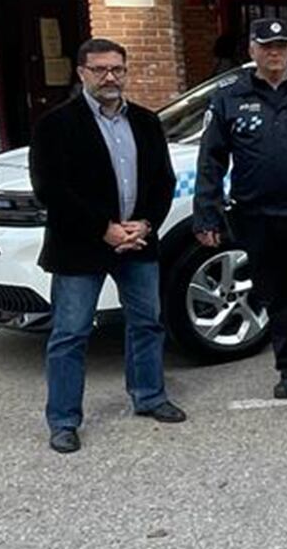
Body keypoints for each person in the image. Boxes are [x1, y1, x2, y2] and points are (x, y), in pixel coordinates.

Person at [28, 37, 183, 454]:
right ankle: (63, 420)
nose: (110, 77)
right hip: (81, 245)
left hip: (138, 241)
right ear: (82, 74)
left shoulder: (147, 123)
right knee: (71, 333)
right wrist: (104, 228)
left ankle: (149, 396)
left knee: (147, 323)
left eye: (117, 69)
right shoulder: (55, 125)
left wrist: (146, 224)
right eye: (100, 70)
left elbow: (163, 181)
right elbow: (50, 189)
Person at [193, 18, 287, 401]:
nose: (274, 52)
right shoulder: (229, 96)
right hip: (257, 214)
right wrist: (206, 212)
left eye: (281, 45)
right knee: (277, 298)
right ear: (252, 50)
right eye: (266, 46)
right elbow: (211, 160)